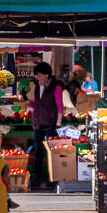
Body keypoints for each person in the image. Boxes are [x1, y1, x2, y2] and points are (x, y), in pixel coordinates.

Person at [26, 61, 71, 190]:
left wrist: (58, 122)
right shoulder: (37, 86)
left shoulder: (55, 86)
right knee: (38, 152)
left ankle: (53, 179)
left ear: (46, 75)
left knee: (52, 153)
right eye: (36, 75)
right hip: (38, 124)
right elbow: (36, 103)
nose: (37, 77)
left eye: (39, 75)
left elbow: (59, 105)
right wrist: (30, 107)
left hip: (51, 124)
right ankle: (37, 178)